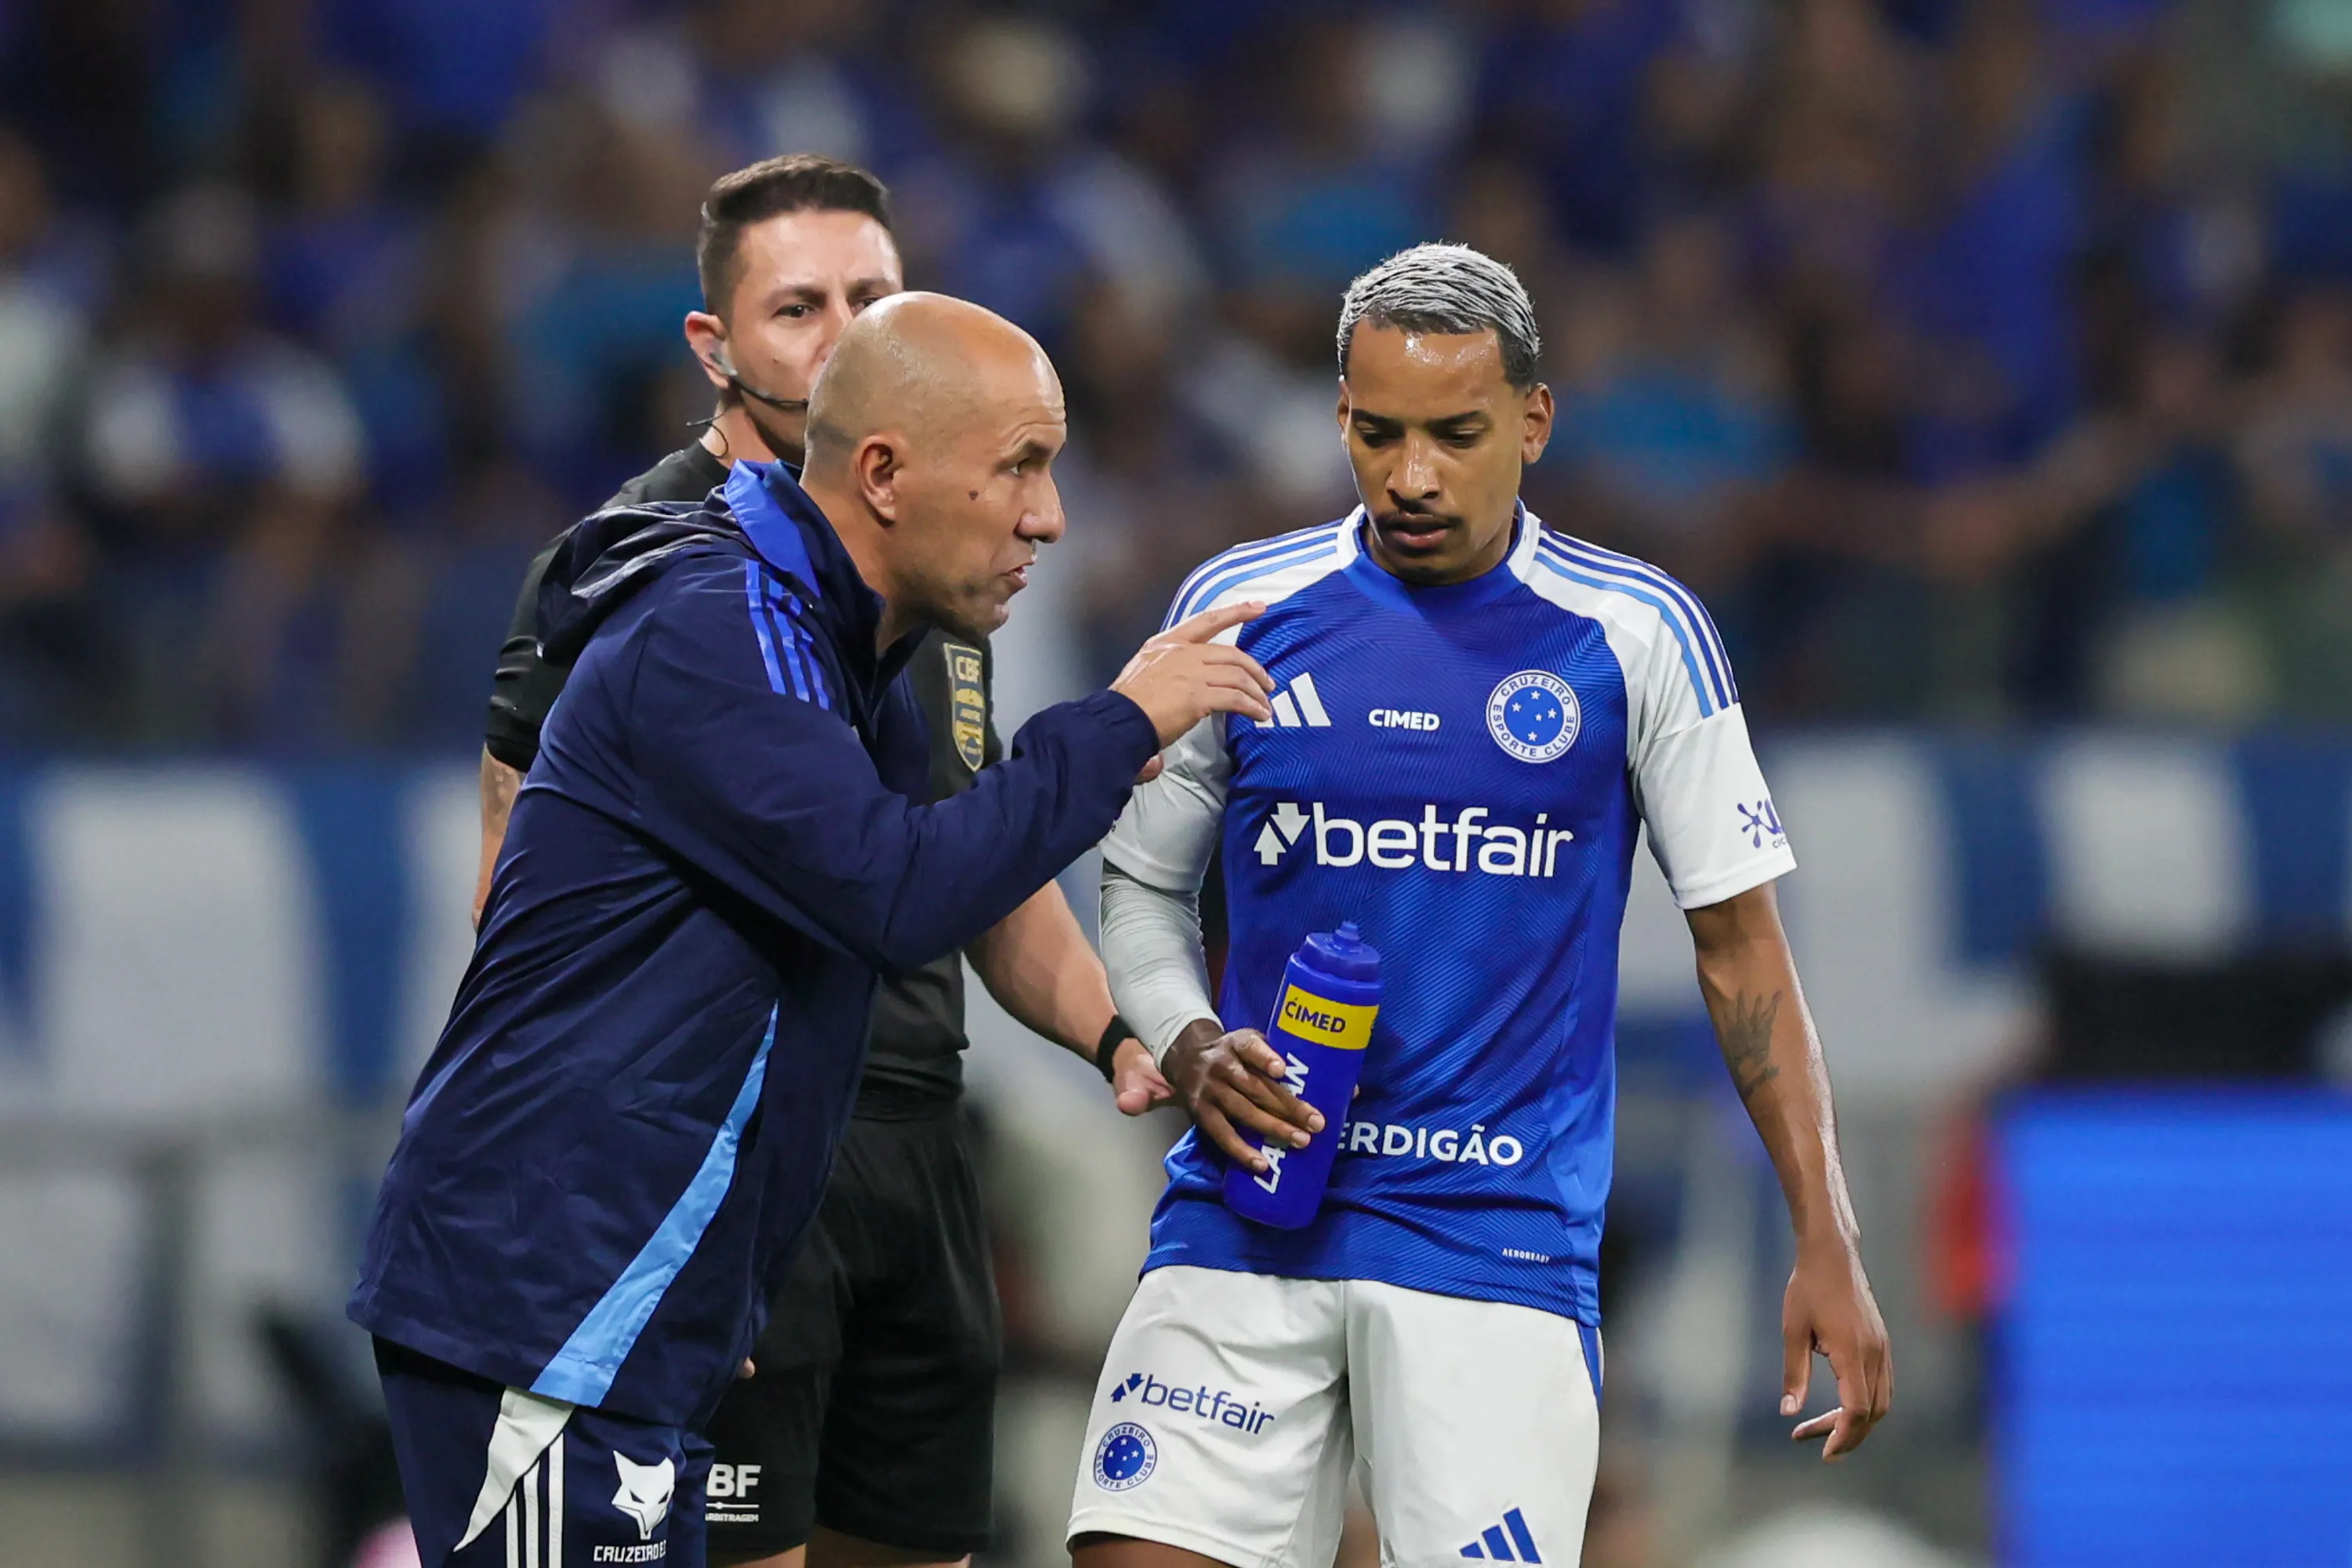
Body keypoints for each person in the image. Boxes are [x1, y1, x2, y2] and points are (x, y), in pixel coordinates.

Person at [351, 290, 1279, 1568]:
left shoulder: (853, 651)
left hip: (634, 1305)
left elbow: (951, 869)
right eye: (1019, 465)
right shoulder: (718, 629)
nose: (1049, 517)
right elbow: (896, 892)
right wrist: (1119, 722)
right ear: (886, 474)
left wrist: (1131, 1030)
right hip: (547, 1302)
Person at [1069, 245, 1893, 1567]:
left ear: (1533, 421)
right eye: (1379, 434)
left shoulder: (1634, 635)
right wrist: (1183, 1039)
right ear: (1339, 417)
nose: (1412, 476)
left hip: (1492, 1245)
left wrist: (1826, 1231)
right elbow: (1143, 884)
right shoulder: (1241, 609)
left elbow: (1743, 958)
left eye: (1456, 435)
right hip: (1249, 1211)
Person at [474, 155, 1165, 1568]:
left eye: (873, 296)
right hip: (733, 1157)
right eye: (802, 308)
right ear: (714, 347)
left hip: (921, 1137)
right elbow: (520, 894)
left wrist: (1115, 1032)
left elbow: (974, 862)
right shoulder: (640, 574)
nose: (846, 335)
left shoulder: (940, 571)